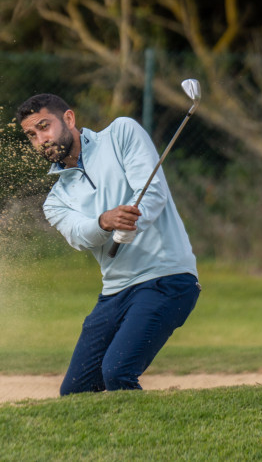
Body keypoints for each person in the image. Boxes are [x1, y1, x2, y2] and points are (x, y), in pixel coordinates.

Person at [15, 93, 201, 395]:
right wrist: (104, 222)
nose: (40, 139)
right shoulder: (56, 199)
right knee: (75, 391)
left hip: (167, 278)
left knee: (117, 372)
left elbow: (152, 194)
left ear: (69, 119)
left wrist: (130, 224)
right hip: (114, 292)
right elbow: (78, 235)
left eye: (44, 126)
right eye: (31, 135)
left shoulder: (121, 134)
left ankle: (149, 440)